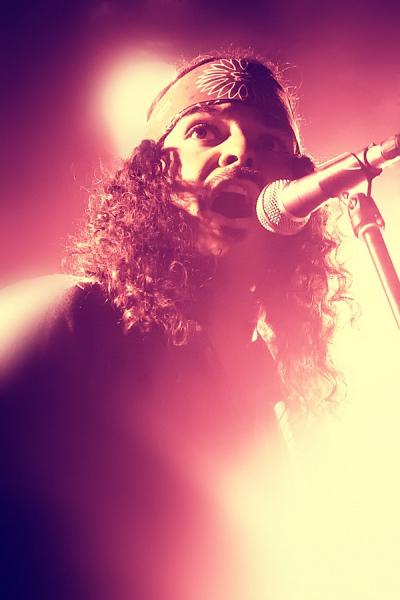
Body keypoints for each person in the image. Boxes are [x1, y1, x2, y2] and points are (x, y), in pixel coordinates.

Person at [0, 51, 349, 599]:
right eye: (204, 131)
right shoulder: (69, 317)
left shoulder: (268, 392)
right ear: (153, 175)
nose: (240, 152)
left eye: (270, 144)